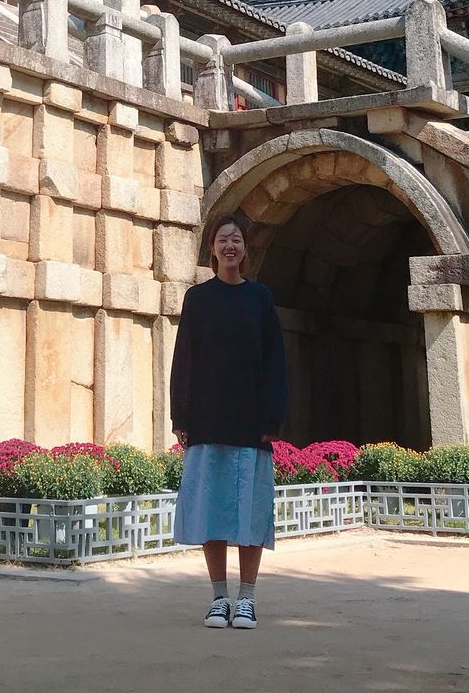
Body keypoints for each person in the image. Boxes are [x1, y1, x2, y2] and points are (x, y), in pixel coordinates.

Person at [170, 211, 287, 630]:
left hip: (251, 421)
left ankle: (247, 599)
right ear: (213, 248)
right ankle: (219, 597)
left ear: (245, 250)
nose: (230, 246)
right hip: (207, 418)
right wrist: (180, 416)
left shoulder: (260, 298)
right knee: (212, 510)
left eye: (236, 239)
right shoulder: (197, 299)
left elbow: (275, 362)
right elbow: (183, 359)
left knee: (250, 513)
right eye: (223, 239)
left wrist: (272, 417)